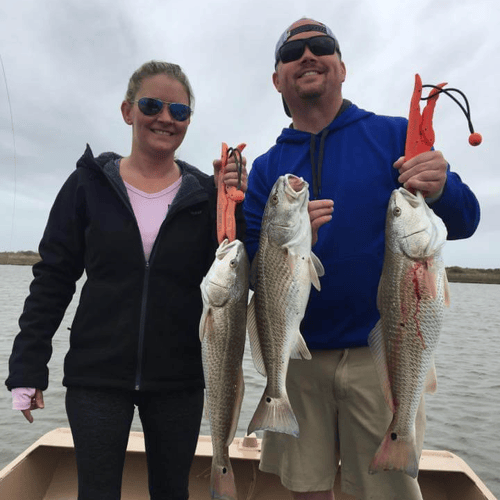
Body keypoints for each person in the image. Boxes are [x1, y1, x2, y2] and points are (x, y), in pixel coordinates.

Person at [243, 18, 480, 500]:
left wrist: (443, 186)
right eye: (293, 53)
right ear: (277, 80)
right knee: (304, 490)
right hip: (297, 359)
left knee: (385, 491)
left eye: (321, 46)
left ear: (342, 66)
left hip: (386, 353)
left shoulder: (394, 137)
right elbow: (252, 272)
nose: (308, 56)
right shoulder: (267, 168)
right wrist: (280, 240)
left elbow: (466, 220)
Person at [6, 60, 246, 500]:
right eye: (152, 105)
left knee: (172, 492)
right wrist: (27, 366)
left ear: (189, 121)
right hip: (97, 377)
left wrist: (234, 203)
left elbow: (237, 273)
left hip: (180, 379)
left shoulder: (205, 194)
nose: (165, 119)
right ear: (127, 111)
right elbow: (53, 279)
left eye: (179, 111)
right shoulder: (87, 185)